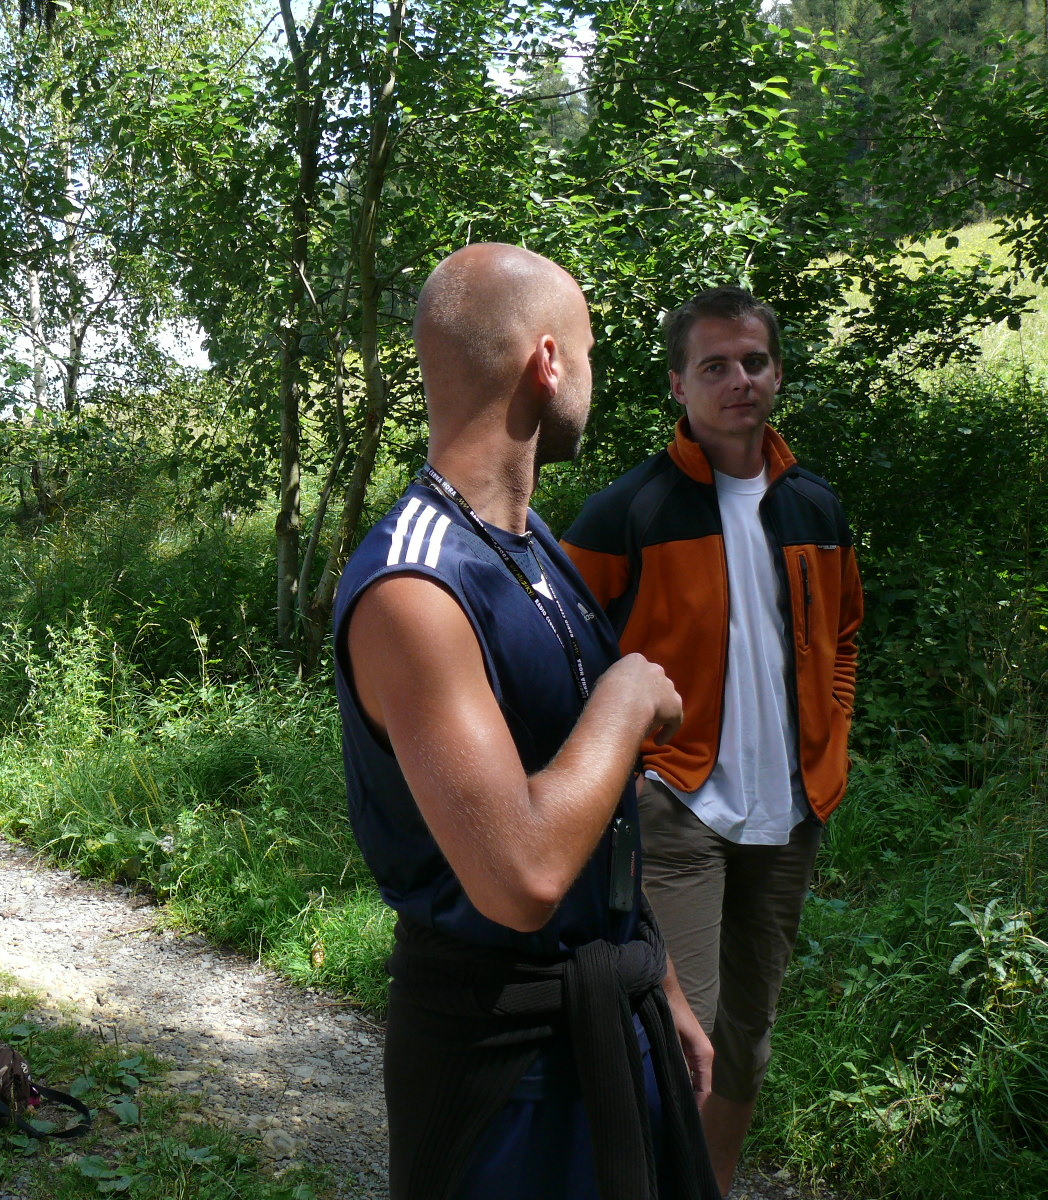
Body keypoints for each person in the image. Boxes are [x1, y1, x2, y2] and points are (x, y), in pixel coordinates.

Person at [333, 243, 720, 1200]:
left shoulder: (530, 544)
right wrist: (627, 698)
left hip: (606, 1015)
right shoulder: (415, 587)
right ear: (548, 361)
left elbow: (595, 813)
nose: (592, 373)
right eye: (586, 350)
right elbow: (521, 876)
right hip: (500, 1069)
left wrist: (661, 981)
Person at [561, 286, 864, 1194]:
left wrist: (831, 739)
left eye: (755, 362)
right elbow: (559, 650)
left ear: (777, 372)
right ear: (678, 384)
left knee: (745, 1039)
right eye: (715, 365)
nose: (740, 380)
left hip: (789, 815)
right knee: (674, 1039)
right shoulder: (631, 511)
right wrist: (627, 771)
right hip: (676, 809)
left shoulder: (815, 508)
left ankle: (712, 1189)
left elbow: (845, 636)